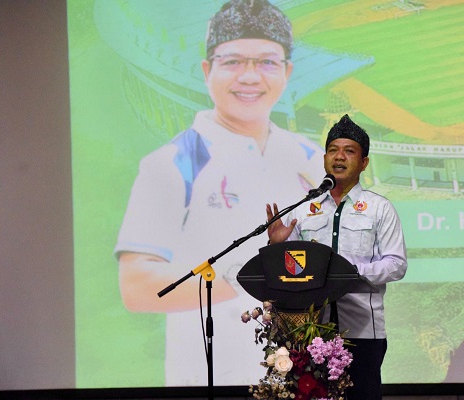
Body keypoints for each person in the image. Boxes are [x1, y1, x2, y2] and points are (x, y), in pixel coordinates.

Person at [114, 0, 325, 386]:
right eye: (232, 62)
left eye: (266, 62)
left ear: (287, 72)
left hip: (305, 384)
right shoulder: (173, 163)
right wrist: (242, 278)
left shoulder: (312, 160)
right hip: (210, 383)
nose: (250, 77)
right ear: (207, 70)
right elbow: (137, 286)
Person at [266, 114, 408, 400]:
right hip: (308, 333)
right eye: (333, 150)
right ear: (324, 159)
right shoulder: (305, 208)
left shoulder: (379, 208)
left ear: (364, 163)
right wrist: (277, 245)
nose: (339, 157)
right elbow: (290, 270)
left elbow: (396, 264)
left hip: (362, 333)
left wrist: (349, 272)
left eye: (349, 151)